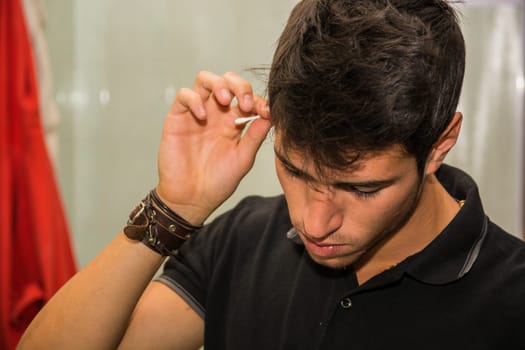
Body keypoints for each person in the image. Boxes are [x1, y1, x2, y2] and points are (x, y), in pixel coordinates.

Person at [18, 0, 525, 349]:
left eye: (362, 188)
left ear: (439, 143)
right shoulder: (245, 237)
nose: (315, 222)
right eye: (294, 169)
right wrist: (176, 207)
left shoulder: (509, 301)